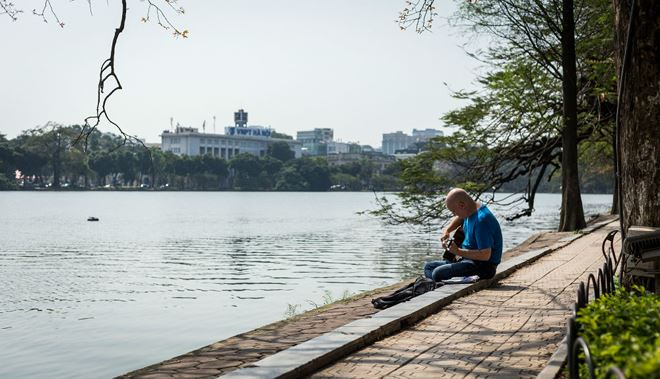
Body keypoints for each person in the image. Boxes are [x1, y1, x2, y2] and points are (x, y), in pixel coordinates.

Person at [423, 188, 503, 282]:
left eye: (453, 211)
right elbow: (460, 218)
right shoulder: (471, 208)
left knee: (437, 273)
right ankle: (446, 281)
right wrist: (447, 231)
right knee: (428, 267)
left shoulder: (482, 221)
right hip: (466, 259)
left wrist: (457, 251)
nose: (454, 214)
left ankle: (445, 281)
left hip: (484, 266)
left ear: (462, 205)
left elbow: (485, 255)